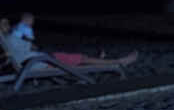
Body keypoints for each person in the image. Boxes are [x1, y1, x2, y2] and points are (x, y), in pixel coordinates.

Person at [5, 12, 138, 71]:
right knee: (81, 59)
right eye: (5, 24)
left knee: (78, 58)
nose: (9, 24)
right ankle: (118, 62)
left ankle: (100, 59)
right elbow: (31, 47)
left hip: (40, 60)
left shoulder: (10, 39)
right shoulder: (11, 38)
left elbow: (30, 48)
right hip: (39, 63)